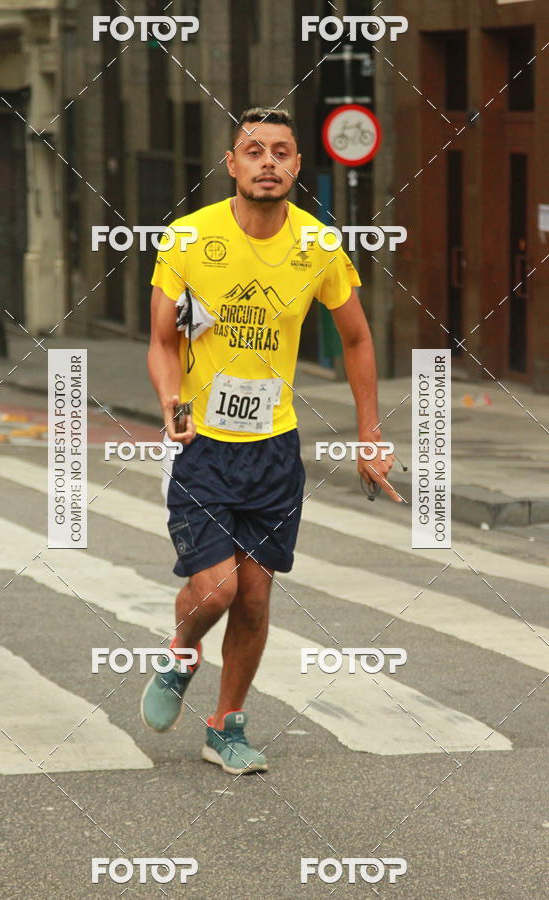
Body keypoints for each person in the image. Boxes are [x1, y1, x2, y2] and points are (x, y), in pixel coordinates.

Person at [141, 107, 399, 775]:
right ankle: (180, 652)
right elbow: (162, 341)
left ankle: (226, 726)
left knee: (255, 595)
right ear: (231, 164)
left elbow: (359, 340)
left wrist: (370, 435)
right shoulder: (190, 238)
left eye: (281, 152)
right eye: (253, 151)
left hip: (274, 450)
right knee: (217, 591)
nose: (267, 162)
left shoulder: (318, 246)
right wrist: (171, 402)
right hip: (202, 443)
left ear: (295, 167)